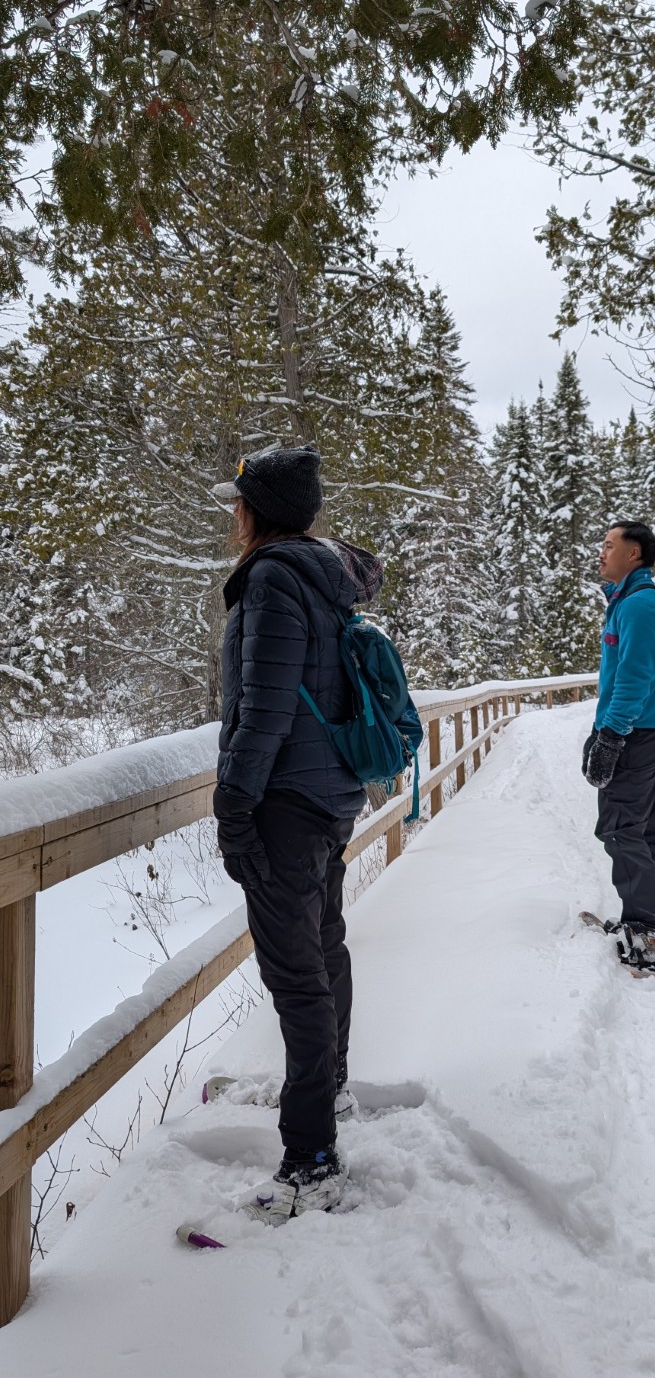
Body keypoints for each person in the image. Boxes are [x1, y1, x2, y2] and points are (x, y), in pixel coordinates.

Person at [211, 445, 383, 1221]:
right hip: (327, 791)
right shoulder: (323, 575)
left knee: (296, 976)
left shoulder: (275, 578)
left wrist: (233, 805)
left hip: (285, 800)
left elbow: (266, 707)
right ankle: (326, 1090)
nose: (233, 512)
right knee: (322, 947)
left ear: (258, 512)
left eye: (239, 501)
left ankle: (311, 1158)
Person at [582, 521, 655, 969]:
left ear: (634, 554)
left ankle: (649, 934)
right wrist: (603, 728)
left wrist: (612, 735)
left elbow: (634, 678)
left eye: (609, 545)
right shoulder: (631, 601)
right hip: (646, 728)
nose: (601, 553)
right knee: (645, 825)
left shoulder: (640, 605)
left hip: (637, 731)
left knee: (620, 826)